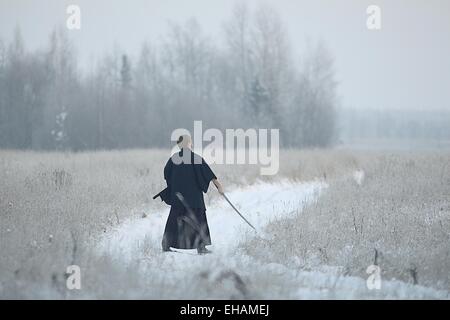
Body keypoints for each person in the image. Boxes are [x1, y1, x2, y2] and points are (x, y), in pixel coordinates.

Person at [161, 134, 224, 255]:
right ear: (189, 143)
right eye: (191, 141)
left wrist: (175, 185)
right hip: (194, 198)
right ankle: (201, 247)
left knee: (174, 220)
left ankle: (166, 245)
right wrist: (219, 187)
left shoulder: (173, 159)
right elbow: (209, 175)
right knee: (199, 220)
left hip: (178, 198)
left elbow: (166, 174)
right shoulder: (196, 158)